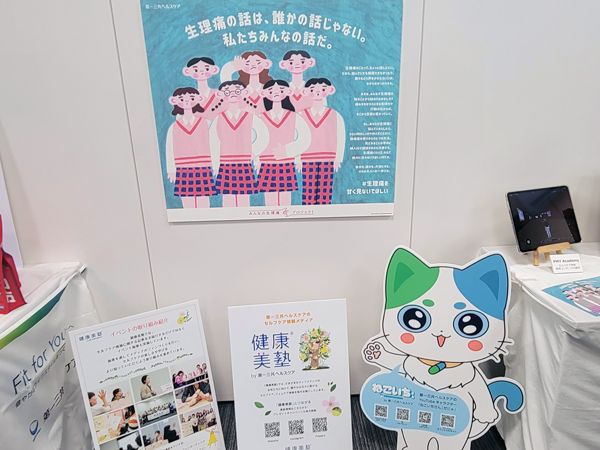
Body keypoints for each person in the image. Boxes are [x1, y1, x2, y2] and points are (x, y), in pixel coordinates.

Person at [209, 81, 269, 207]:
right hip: (225, 161)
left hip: (244, 161)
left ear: (244, 93)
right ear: (221, 95)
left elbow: (263, 136)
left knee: (243, 195)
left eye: (237, 91)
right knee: (227, 195)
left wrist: (254, 153)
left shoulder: (250, 116)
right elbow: (213, 141)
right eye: (227, 92)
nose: (232, 94)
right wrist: (215, 163)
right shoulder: (219, 118)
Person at [256, 79, 311, 206]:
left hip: (286, 161)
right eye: (271, 91)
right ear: (264, 93)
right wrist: (257, 160)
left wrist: (291, 153)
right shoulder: (260, 117)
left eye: (281, 90)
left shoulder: (294, 116)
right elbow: (257, 139)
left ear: (288, 92)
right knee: (269, 194)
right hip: (266, 161)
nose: (276, 93)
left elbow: (304, 138)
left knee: (285, 194)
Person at [296, 78, 346, 205]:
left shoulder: (335, 115)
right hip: (307, 157)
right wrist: (297, 158)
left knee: (325, 190)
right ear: (306, 92)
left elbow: (340, 137)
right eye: (313, 89)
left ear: (330, 90)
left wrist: (338, 158)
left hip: (328, 157)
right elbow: (296, 137)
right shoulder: (301, 115)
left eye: (322, 89)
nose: (318, 92)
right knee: (309, 190)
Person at [166, 87, 216, 209]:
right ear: (175, 101)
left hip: (203, 166)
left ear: (198, 99)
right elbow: (170, 149)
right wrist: (171, 170)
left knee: (203, 200)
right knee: (187, 201)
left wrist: (215, 164)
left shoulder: (206, 123)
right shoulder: (174, 127)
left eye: (191, 98)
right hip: (183, 167)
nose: (187, 101)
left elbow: (213, 144)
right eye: (182, 99)